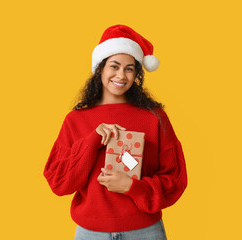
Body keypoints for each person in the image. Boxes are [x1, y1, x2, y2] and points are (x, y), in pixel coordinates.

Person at [43, 24, 188, 240]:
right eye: (114, 66)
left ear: (136, 74)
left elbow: (175, 179)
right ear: (100, 68)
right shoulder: (75, 121)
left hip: (145, 231)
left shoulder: (154, 117)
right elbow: (59, 182)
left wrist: (133, 187)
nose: (121, 75)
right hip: (90, 232)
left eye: (129, 68)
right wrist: (92, 141)